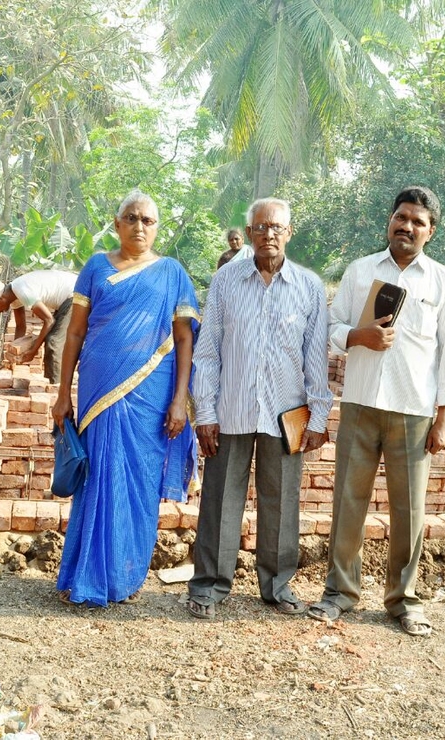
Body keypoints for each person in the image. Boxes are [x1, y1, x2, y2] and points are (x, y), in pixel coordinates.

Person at [308, 186, 445, 637]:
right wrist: (360, 337)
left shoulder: (442, 281)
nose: (407, 226)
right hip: (360, 403)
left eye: (418, 221)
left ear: (430, 231)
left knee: (409, 510)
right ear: (389, 221)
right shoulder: (360, 271)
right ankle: (340, 593)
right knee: (347, 503)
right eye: (401, 217)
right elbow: (331, 328)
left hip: (414, 409)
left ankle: (403, 600)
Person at [50, 191, 200, 607]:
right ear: (116, 224)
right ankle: (88, 576)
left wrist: (180, 400)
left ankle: (124, 577)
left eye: (148, 220)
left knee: (138, 481)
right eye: (131, 218)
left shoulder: (172, 273)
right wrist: (62, 392)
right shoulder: (96, 267)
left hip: (152, 395)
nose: (139, 226)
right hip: (98, 392)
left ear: (157, 227)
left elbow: (185, 338)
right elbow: (75, 333)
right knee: (98, 479)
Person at [187, 197, 332, 619]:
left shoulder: (308, 287)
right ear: (249, 233)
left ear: (289, 233)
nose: (269, 234)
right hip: (231, 410)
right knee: (220, 499)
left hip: (286, 413)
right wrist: (206, 413)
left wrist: (318, 415)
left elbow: (315, 359)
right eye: (261, 227)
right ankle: (210, 586)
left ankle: (277, 585)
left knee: (282, 501)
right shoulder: (227, 281)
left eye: (277, 228)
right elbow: (208, 351)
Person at [0, 270, 79, 383]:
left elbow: (49, 320)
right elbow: (20, 326)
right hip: (69, 296)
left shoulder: (23, 292)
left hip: (76, 294)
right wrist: (15, 352)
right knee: (56, 338)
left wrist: (33, 351)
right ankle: (54, 383)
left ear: (1, 298)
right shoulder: (13, 294)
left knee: (54, 342)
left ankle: (56, 389)